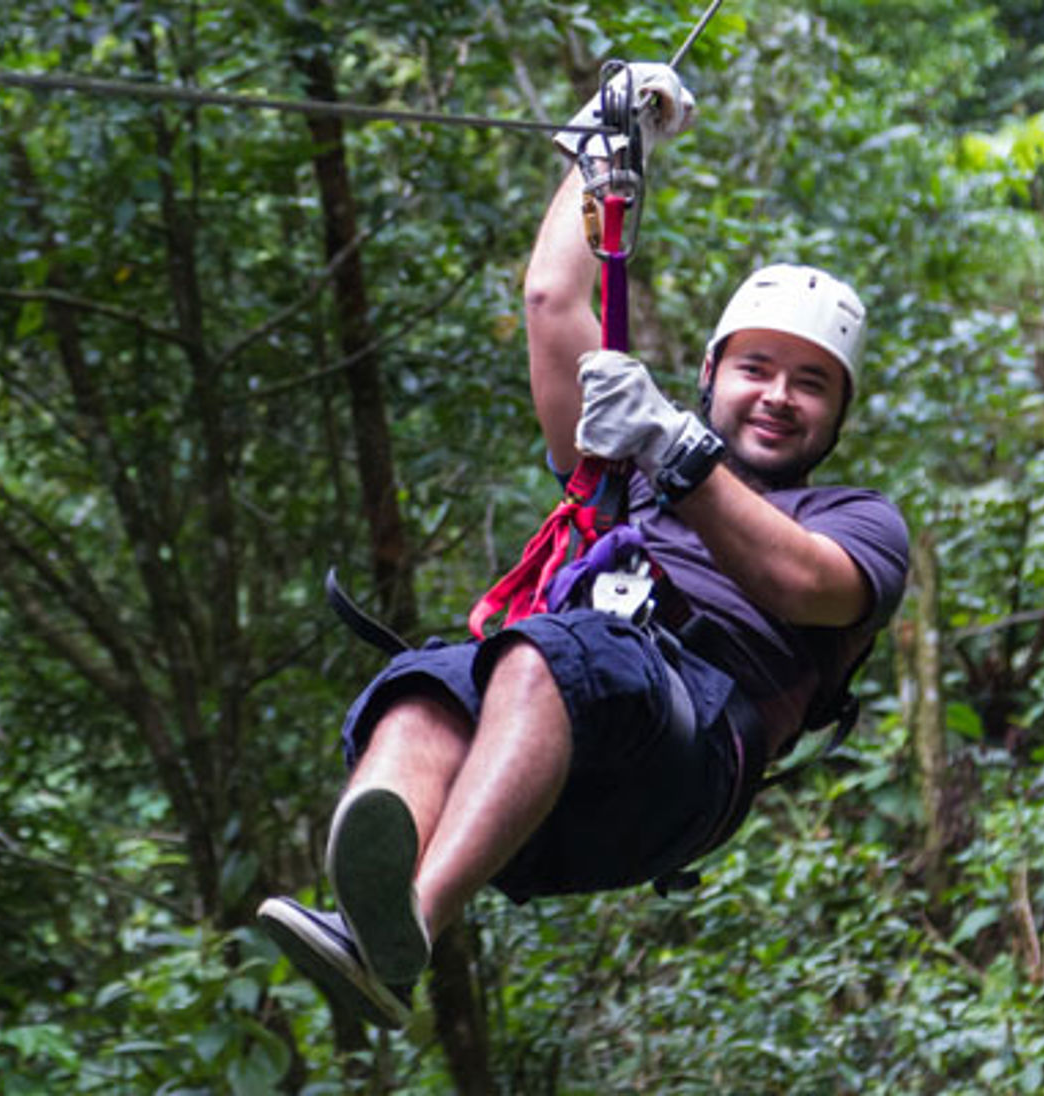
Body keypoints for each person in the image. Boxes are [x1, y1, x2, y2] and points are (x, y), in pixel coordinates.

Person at [257, 64, 910, 1030]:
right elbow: (553, 304)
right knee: (428, 686)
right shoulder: (628, 463)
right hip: (551, 779)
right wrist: (603, 146)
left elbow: (801, 581)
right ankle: (372, 917)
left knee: (545, 657)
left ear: (839, 413)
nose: (779, 395)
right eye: (758, 368)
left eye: (811, 383)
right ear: (711, 375)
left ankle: (408, 935)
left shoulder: (857, 520)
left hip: (686, 755)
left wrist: (676, 453)